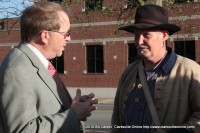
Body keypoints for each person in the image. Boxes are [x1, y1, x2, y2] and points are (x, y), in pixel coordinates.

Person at [0, 2, 98, 133]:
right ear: (45, 35)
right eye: (66, 33)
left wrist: (72, 105)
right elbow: (23, 129)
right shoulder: (17, 70)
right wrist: (73, 115)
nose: (69, 38)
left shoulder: (39, 63)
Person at [111, 4, 200, 133]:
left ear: (164, 36)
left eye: (146, 35)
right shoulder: (128, 73)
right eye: (136, 35)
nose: (139, 41)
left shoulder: (190, 71)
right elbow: (117, 120)